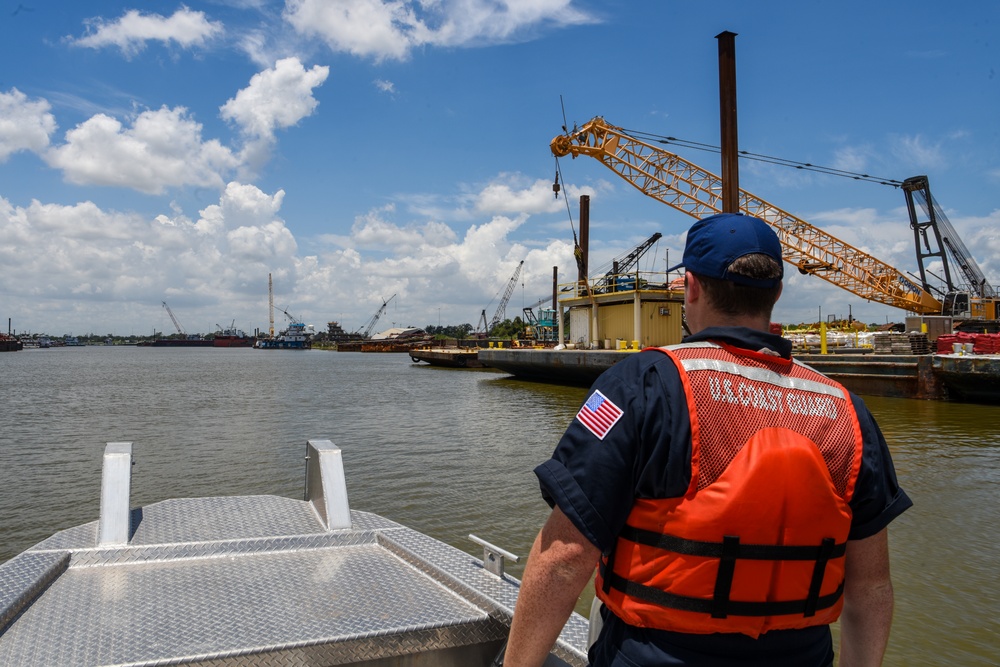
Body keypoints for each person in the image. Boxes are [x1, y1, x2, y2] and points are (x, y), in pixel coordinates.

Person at [504, 212, 911, 666]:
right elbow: (870, 588)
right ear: (776, 293)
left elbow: (565, 558)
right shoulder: (848, 411)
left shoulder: (643, 383)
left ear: (690, 287)